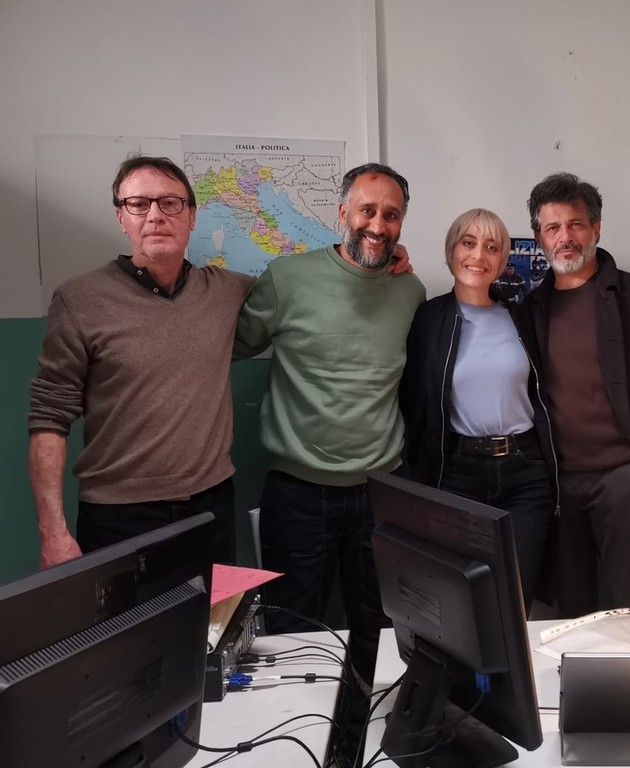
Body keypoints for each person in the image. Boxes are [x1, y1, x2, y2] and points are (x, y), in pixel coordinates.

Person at [233, 162, 425, 689]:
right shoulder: (287, 278)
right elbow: (228, 343)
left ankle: (369, 730)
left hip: (382, 493)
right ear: (343, 213)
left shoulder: (410, 291)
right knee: (291, 636)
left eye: (391, 215)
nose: (378, 225)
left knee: (384, 632)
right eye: (367, 210)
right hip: (297, 495)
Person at [28, 155, 254, 569]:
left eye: (170, 203)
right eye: (138, 204)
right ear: (121, 217)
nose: (155, 215)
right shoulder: (79, 300)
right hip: (117, 517)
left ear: (192, 216)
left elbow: (297, 290)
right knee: (123, 616)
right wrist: (52, 532)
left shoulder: (226, 291)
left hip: (211, 507)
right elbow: (48, 417)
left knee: (213, 613)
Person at [523, 172, 630, 618]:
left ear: (596, 228)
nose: (565, 237)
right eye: (552, 228)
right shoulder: (530, 310)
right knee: (572, 612)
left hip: (627, 481)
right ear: (539, 238)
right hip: (560, 486)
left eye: (575, 224)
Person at [400, 208, 556, 609]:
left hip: (525, 474)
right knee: (461, 601)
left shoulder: (522, 317)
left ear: (503, 260)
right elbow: (412, 402)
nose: (478, 256)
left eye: (491, 247)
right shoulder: (427, 319)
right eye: (468, 243)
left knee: (514, 599)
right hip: (456, 475)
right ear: (451, 251)